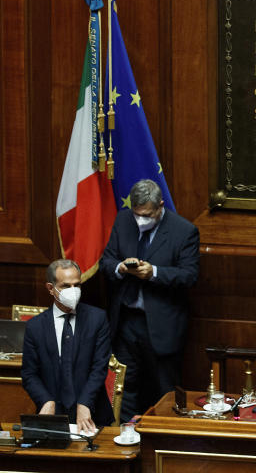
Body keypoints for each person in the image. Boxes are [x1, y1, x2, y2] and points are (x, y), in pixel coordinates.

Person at [100, 179, 200, 419]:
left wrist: (154, 273)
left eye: (147, 214)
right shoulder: (123, 220)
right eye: (137, 214)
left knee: (164, 388)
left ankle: (166, 440)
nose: (141, 220)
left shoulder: (184, 231)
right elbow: (106, 261)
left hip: (161, 325)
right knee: (125, 387)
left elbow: (190, 275)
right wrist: (120, 268)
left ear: (160, 206)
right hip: (126, 322)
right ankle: (124, 435)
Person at [21, 259, 114, 433]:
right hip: (53, 417)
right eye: (65, 286)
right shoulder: (35, 326)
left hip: (93, 413)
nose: (73, 292)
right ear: (51, 288)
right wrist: (46, 401)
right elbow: (29, 374)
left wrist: (85, 402)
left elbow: (99, 367)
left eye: (77, 285)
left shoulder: (97, 319)